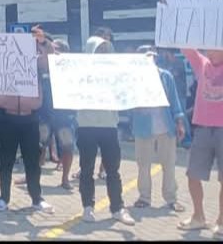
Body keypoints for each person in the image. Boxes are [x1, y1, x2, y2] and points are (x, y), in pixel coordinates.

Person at [0, 28, 54, 214]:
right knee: (6, 160)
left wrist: (43, 43)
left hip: (30, 117)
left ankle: (36, 198)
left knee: (32, 160)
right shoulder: (1, 59)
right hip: (7, 116)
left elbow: (49, 63)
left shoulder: (36, 58)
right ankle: (3, 198)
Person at [77, 36, 134, 225]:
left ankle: (117, 208)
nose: (102, 53)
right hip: (86, 125)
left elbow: (128, 83)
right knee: (86, 169)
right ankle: (88, 207)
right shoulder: (79, 73)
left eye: (105, 50)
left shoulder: (114, 74)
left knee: (113, 170)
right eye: (98, 50)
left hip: (109, 125)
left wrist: (143, 64)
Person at [131, 45, 186, 213]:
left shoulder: (165, 76)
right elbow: (128, 101)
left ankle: (171, 198)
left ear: (155, 57)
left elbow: (175, 101)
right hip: (143, 127)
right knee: (143, 165)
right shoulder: (133, 79)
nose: (150, 59)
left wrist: (180, 123)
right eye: (145, 57)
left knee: (169, 164)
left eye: (151, 56)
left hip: (166, 126)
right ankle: (144, 197)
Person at [177, 48, 223, 237]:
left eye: (214, 49)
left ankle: (221, 221)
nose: (210, 52)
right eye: (208, 49)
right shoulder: (202, 63)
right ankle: (198, 217)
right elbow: (185, 45)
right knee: (193, 174)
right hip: (202, 129)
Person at [43, 37, 77, 190]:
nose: (53, 52)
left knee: (67, 146)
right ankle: (32, 177)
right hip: (45, 113)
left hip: (64, 115)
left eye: (56, 49)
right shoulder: (44, 66)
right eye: (52, 49)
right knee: (38, 145)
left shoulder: (72, 70)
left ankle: (65, 179)